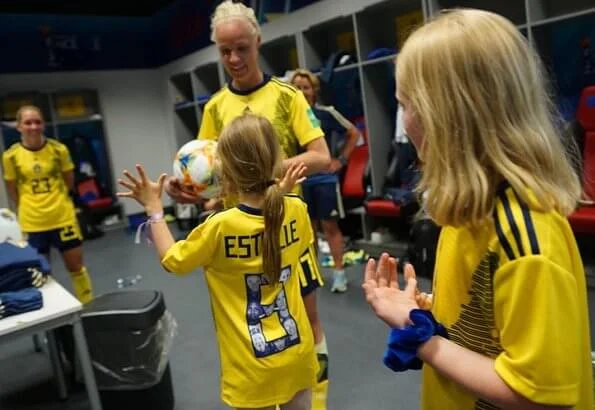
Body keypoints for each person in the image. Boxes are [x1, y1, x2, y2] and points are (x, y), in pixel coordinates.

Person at [362, 9, 593, 410]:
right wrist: (425, 318)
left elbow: (538, 395)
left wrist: (422, 339)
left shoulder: (525, 238)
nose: (402, 120)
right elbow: (486, 331)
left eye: (406, 105)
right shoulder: (470, 213)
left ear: (447, 115)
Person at [164, 2, 332, 408]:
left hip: (287, 229)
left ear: (258, 41)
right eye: (224, 51)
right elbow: (208, 173)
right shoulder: (214, 108)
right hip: (240, 238)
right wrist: (184, 189)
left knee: (307, 326)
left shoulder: (287, 96)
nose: (234, 59)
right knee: (250, 332)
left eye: (242, 48)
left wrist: (265, 172)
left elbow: (321, 156)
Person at [118, 113, 318, 410]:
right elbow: (275, 229)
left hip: (251, 367)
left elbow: (173, 260)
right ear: (277, 158)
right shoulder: (297, 210)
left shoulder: (219, 227)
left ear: (225, 169)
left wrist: (154, 208)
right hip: (297, 356)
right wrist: (282, 193)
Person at [2, 105, 94, 304]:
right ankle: (52, 318)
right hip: (33, 222)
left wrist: (59, 200)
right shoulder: (11, 156)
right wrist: (29, 206)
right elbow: (12, 189)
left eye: (37, 121)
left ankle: (89, 308)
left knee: (77, 268)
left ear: (43, 124)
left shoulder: (58, 150)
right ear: (18, 126)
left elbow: (69, 180)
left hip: (62, 218)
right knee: (41, 273)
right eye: (28, 122)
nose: (33, 127)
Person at [290, 69, 361, 293]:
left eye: (305, 87)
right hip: (301, 180)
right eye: (297, 87)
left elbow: (354, 133)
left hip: (324, 179)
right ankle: (313, 272)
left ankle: (339, 273)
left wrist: (340, 160)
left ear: (313, 90)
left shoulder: (326, 113)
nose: (301, 91)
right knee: (307, 229)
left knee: (330, 226)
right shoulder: (289, 118)